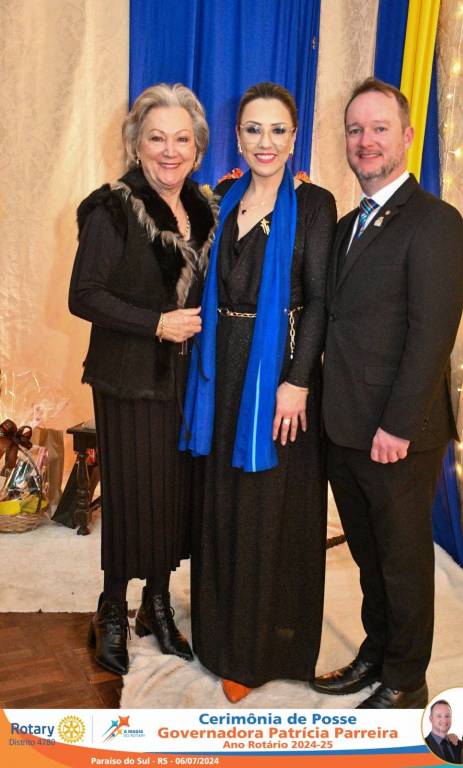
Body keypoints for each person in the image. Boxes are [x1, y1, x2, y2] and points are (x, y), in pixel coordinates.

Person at [313, 78, 463, 708]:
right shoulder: (345, 225)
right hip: (345, 424)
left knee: (402, 562)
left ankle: (406, 680)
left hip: (397, 432)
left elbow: (432, 335)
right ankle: (375, 653)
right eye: (355, 129)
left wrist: (398, 425)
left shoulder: (435, 222)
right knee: (369, 556)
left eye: (379, 128)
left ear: (406, 136)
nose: (366, 140)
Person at [180, 82, 337, 702]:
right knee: (222, 501)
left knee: (270, 509)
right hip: (220, 371)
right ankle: (217, 637)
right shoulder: (220, 198)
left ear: (294, 138)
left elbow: (319, 300)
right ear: (237, 137)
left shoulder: (315, 204)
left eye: (277, 130)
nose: (264, 142)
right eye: (253, 129)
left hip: (278, 376)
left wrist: (297, 382)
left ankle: (262, 650)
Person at [69, 83, 217, 675]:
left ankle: (157, 602)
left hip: (187, 381)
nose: (169, 151)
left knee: (173, 494)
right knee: (131, 494)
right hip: (127, 377)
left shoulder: (205, 208)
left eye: (182, 139)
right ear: (137, 144)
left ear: (197, 148)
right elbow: (84, 295)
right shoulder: (112, 207)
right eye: (157, 138)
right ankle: (112, 607)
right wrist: (156, 323)